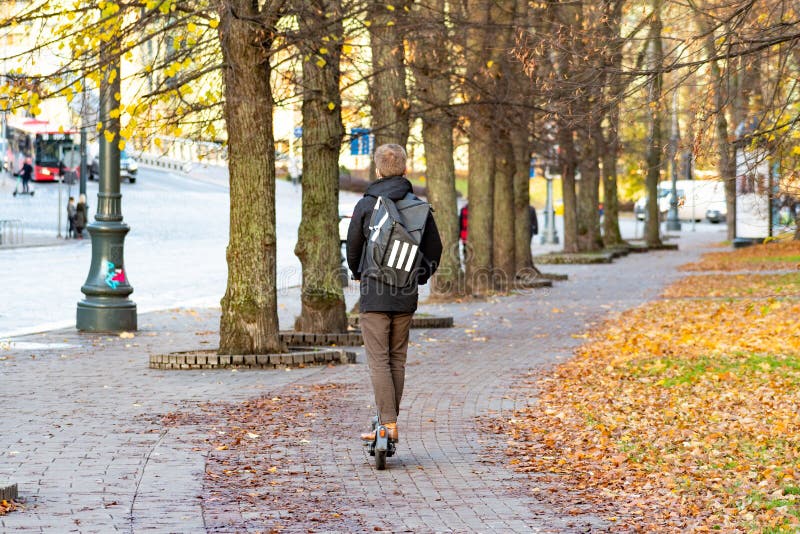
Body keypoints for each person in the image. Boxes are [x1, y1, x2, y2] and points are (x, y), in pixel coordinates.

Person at [346, 144, 442, 443]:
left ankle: (387, 425)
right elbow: (435, 250)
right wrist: (419, 275)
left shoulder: (366, 205)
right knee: (397, 359)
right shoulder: (419, 206)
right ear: (404, 169)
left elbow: (353, 248)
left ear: (377, 170)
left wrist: (359, 273)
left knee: (378, 361)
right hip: (405, 293)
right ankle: (388, 423)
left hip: (374, 292)